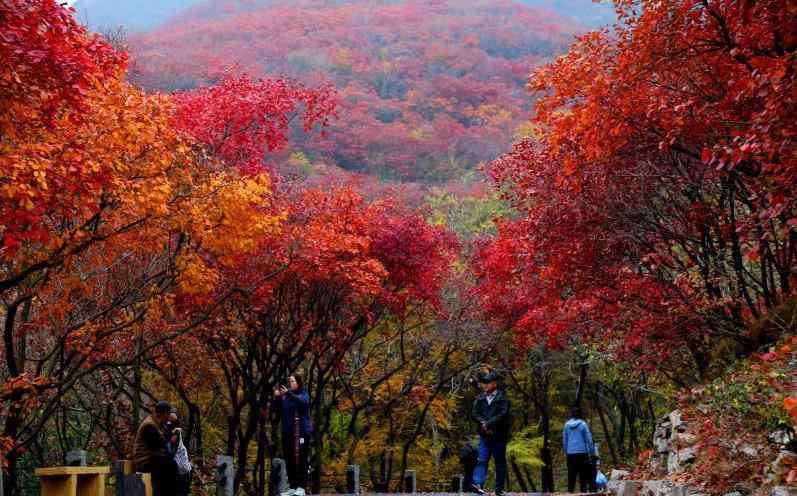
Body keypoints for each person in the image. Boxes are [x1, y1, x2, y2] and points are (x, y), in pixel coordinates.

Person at [470, 371, 510, 496]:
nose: (485, 385)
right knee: (481, 459)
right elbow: (474, 413)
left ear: (494, 384)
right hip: (484, 435)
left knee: (499, 462)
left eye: (488, 383)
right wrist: (483, 423)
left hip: (498, 435)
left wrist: (489, 424)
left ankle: (499, 489)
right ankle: (478, 485)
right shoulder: (480, 398)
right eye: (484, 383)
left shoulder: (502, 398)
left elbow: (503, 414)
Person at [275, 374, 311, 496]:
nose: (290, 383)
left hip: (301, 431)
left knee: (301, 458)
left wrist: (289, 394)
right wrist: (277, 398)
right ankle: (292, 486)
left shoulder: (303, 393)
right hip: (287, 431)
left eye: (293, 381)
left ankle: (302, 487)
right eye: (289, 381)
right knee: (289, 459)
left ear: (298, 382)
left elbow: (304, 403)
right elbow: (278, 411)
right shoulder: (286, 396)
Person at [133, 400, 178, 496]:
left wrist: (172, 425)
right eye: (169, 413)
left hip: (153, 459)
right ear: (163, 413)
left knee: (173, 465)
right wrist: (170, 441)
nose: (170, 415)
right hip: (144, 462)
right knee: (170, 466)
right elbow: (160, 445)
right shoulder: (149, 425)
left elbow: (166, 437)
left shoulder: (158, 423)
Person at [563, 407, 596, 493]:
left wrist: (567, 452)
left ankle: (570, 493)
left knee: (571, 477)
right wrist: (592, 453)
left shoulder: (566, 425)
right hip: (582, 454)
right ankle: (583, 493)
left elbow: (564, 441)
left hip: (570, 454)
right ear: (580, 415)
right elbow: (589, 440)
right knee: (583, 478)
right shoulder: (583, 424)